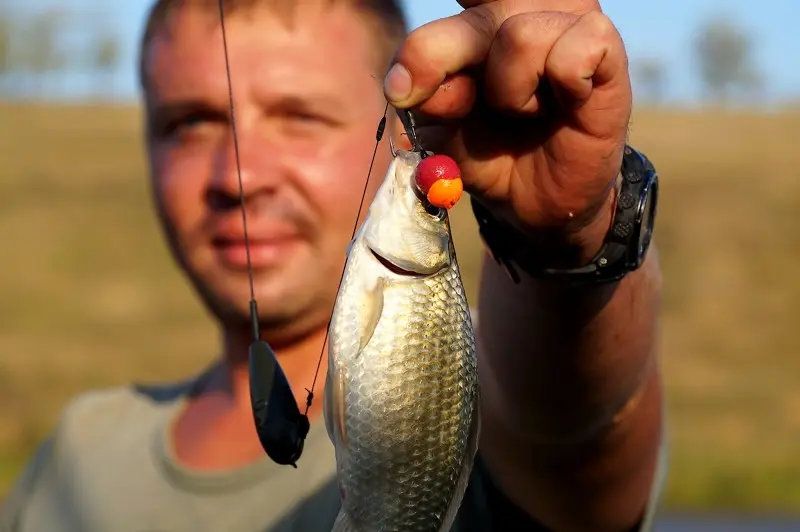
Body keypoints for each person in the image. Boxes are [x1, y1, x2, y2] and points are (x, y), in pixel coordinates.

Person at [0, 0, 667, 530]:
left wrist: (565, 241)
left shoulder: (505, 374)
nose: (242, 175)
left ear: (403, 128)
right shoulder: (76, 451)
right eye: (189, 122)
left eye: (300, 117)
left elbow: (571, 430)